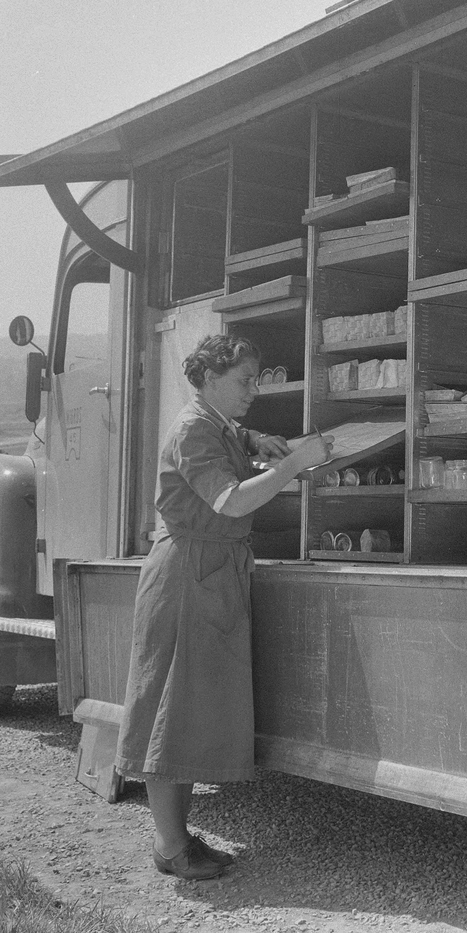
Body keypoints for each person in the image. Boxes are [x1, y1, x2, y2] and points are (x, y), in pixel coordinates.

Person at [115, 333, 331, 881]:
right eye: (244, 380)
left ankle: (178, 839)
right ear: (209, 378)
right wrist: (292, 466)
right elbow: (230, 499)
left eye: (257, 378)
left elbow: (235, 438)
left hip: (211, 573)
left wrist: (263, 442)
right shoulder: (192, 429)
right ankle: (168, 847)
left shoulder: (215, 423)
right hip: (187, 576)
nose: (254, 389)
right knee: (170, 709)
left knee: (190, 712)